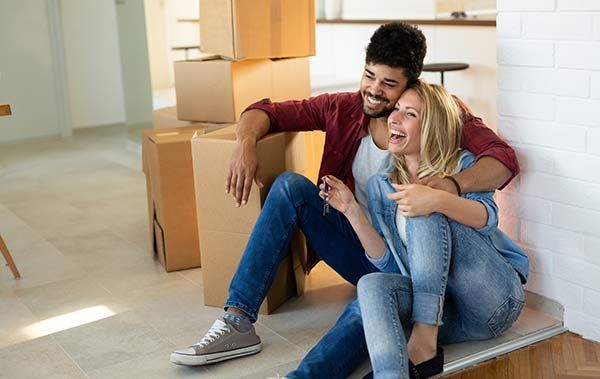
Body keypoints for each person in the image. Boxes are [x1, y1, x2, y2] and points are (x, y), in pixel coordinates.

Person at [170, 22, 520, 378]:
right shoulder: (350, 116)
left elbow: (502, 158)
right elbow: (267, 111)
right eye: (369, 76)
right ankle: (238, 319)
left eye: (389, 84)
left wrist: (448, 186)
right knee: (291, 188)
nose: (373, 91)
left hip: (427, 269)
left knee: (369, 302)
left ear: (410, 88)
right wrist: (244, 145)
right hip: (374, 252)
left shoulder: (437, 117)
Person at [321, 80, 528, 378]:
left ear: (432, 126)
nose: (394, 117)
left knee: (422, 204)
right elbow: (391, 265)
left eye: (410, 114)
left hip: (492, 299)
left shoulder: (463, 164)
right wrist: (351, 209)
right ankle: (393, 374)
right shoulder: (382, 185)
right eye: (397, 110)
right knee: (371, 285)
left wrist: (439, 198)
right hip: (450, 315)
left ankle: (424, 339)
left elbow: (487, 218)